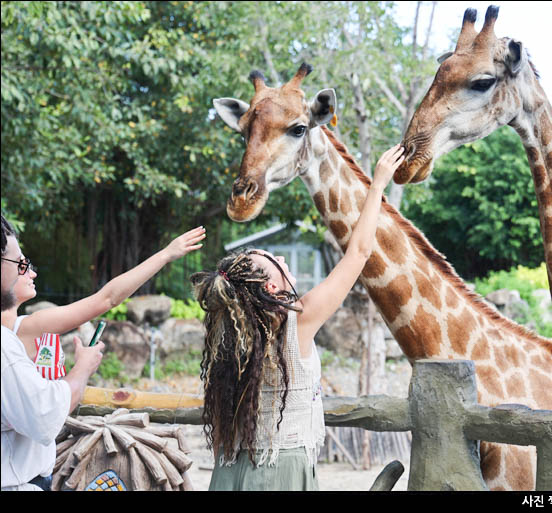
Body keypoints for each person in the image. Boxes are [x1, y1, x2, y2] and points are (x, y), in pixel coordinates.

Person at [191, 144, 405, 491]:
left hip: (228, 469)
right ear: (272, 287)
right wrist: (378, 184)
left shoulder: (228, 338)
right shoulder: (297, 325)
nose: (281, 258)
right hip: (281, 471)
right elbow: (360, 253)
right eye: (272, 258)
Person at [1, 215, 206, 491]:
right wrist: (166, 255)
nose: (32, 272)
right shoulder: (22, 331)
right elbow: (106, 299)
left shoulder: (26, 328)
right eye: (23, 265)